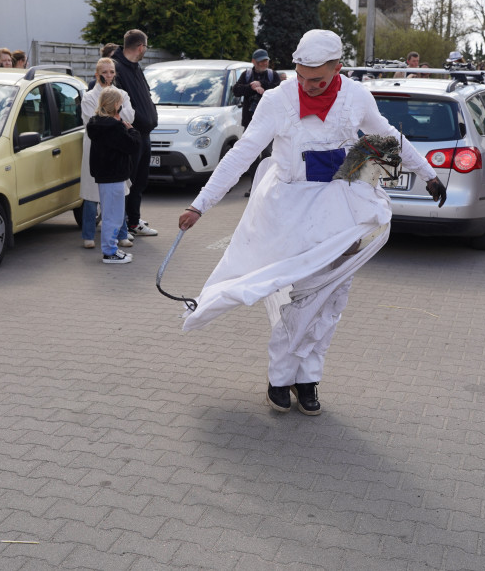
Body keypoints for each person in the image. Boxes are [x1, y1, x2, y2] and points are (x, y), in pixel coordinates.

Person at [175, 29, 446, 416]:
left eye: (318, 80)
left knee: (332, 297)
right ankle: (280, 379)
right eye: (302, 77)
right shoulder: (276, 101)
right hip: (291, 209)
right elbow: (243, 155)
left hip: (342, 208)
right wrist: (200, 205)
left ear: (338, 68)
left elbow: (387, 136)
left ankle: (309, 379)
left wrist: (427, 173)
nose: (309, 86)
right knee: (301, 298)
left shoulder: (356, 96)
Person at [80, 58, 135, 249]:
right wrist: (116, 118)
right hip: (96, 149)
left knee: (120, 194)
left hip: (117, 150)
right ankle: (88, 235)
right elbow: (92, 120)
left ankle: (122, 234)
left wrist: (113, 117)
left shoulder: (122, 93)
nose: (109, 75)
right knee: (91, 194)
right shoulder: (88, 97)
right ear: (97, 74)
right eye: (104, 72)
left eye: (112, 72)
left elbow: (130, 116)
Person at [111, 30, 158, 237]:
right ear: (141, 46)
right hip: (130, 135)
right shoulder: (116, 68)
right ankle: (121, 225)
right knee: (127, 182)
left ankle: (133, 221)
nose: (145, 51)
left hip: (144, 135)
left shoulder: (135, 68)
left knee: (140, 181)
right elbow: (116, 104)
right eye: (146, 47)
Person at [86, 86, 141, 264]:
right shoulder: (114, 127)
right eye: (120, 103)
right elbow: (132, 146)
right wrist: (132, 130)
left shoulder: (97, 123)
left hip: (105, 175)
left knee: (111, 213)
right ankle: (109, 252)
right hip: (114, 175)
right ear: (116, 105)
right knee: (113, 215)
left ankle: (112, 249)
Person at [232, 49, 282, 130]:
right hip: (250, 122)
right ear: (253, 61)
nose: (264, 63)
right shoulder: (246, 75)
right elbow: (236, 91)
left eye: (266, 61)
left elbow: (280, 90)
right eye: (261, 61)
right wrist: (252, 87)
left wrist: (262, 85)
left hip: (269, 122)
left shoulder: (272, 75)